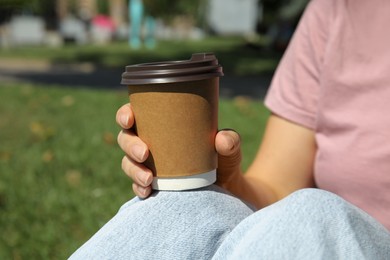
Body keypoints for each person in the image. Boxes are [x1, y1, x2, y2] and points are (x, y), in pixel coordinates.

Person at [70, 0, 390, 258]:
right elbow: (277, 193)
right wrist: (225, 178)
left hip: (332, 234)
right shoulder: (338, 10)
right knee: (182, 203)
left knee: (316, 215)